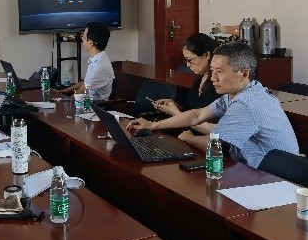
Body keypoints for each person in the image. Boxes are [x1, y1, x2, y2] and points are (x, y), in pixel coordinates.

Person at [127, 42, 298, 168]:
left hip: (276, 177)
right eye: (212, 71)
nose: (213, 78)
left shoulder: (247, 103)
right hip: (258, 170)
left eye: (220, 72)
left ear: (244, 73)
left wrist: (189, 138)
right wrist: (153, 125)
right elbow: (197, 115)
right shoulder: (240, 92)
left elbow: (217, 147)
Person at [151, 33, 220, 125]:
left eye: (190, 60)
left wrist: (176, 113)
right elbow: (191, 110)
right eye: (186, 60)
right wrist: (176, 107)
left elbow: (212, 127)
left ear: (206, 55)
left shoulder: (218, 84)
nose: (188, 65)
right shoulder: (199, 79)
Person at [59, 22, 114, 101]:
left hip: (93, 106)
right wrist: (61, 92)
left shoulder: (98, 66)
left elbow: (81, 91)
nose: (82, 39)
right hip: (86, 100)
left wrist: (63, 102)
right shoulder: (98, 58)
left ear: (90, 43)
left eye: (84, 37)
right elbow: (84, 84)